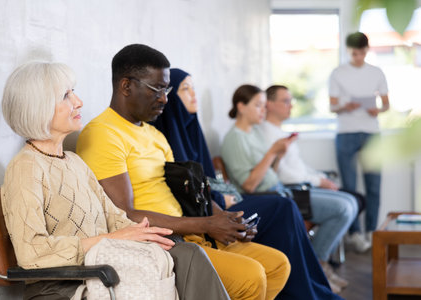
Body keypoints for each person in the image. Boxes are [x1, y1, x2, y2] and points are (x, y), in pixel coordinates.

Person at [76, 44, 291, 300]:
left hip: (190, 232)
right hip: (160, 245)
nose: (165, 98)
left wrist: (227, 220)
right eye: (156, 89)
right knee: (250, 276)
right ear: (126, 86)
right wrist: (207, 224)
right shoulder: (103, 134)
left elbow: (186, 194)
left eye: (166, 89)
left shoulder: (154, 134)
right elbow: (126, 215)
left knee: (278, 265)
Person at [0, 61, 229, 300]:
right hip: (62, 285)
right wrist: (111, 239)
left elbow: (113, 217)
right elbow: (31, 253)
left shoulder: (74, 162)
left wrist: (144, 233)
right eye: (66, 96)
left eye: (73, 92)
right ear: (39, 107)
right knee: (184, 259)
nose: (78, 102)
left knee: (183, 251)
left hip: (103, 266)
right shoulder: (26, 167)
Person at [152, 67, 344, 300]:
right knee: (285, 207)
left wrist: (225, 194)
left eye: (194, 88)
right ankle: (304, 291)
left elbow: (209, 178)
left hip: (222, 201)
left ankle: (311, 287)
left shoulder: (193, 129)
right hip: (207, 212)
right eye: (185, 89)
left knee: (288, 206)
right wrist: (223, 198)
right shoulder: (166, 136)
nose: (194, 95)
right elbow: (190, 187)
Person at [221, 84, 358, 294]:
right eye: (258, 105)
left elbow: (271, 173)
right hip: (266, 196)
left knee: (348, 201)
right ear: (241, 107)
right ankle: (318, 268)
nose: (262, 111)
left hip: (279, 189)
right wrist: (272, 153)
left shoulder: (254, 133)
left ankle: (317, 272)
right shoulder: (234, 138)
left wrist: (278, 155)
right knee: (342, 207)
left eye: (263, 106)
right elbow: (249, 185)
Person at [260, 85, 370, 253]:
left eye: (291, 101)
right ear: (269, 104)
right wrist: (318, 181)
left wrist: (320, 178)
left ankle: (324, 257)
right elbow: (282, 174)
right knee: (349, 203)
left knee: (355, 200)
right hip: (293, 190)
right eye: (285, 101)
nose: (291, 106)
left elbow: (300, 166)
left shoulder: (280, 132)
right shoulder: (267, 134)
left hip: (301, 185)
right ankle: (320, 260)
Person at [329, 32, 389, 243]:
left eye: (362, 52)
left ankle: (372, 231)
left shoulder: (376, 72)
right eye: (354, 53)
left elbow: (386, 104)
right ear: (349, 51)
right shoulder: (338, 73)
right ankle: (354, 233)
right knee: (349, 185)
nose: (358, 57)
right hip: (346, 132)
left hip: (371, 132)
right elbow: (332, 105)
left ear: (367, 50)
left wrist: (378, 111)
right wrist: (345, 107)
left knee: (374, 185)